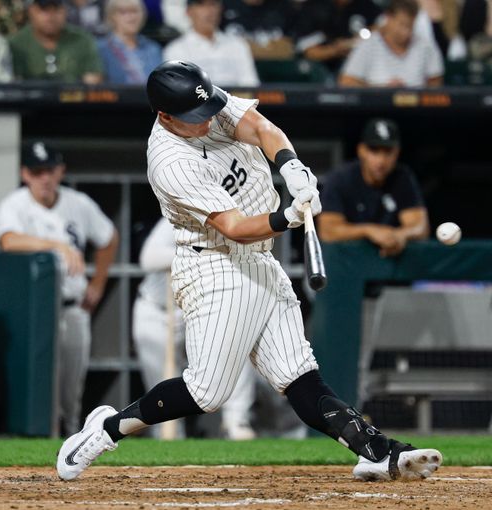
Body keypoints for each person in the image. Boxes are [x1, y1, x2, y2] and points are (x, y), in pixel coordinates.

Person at [56, 60, 442, 483]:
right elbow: (234, 227)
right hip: (215, 264)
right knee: (207, 393)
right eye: (192, 118)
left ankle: (377, 451)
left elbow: (259, 127)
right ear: (165, 116)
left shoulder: (204, 100)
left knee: (298, 374)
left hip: (258, 259)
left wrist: (290, 164)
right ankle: (105, 430)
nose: (206, 121)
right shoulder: (169, 162)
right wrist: (288, 215)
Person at [0, 140, 118, 435]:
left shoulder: (78, 203)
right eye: (37, 172)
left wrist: (99, 283)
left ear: (60, 171)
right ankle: (35, 438)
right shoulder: (15, 205)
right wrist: (56, 245)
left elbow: (109, 238)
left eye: (49, 170)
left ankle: (72, 437)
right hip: (32, 311)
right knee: (36, 384)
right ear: (25, 174)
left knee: (71, 388)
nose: (45, 178)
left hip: (71, 306)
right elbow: (8, 241)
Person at [133, 216, 257, 440]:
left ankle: (236, 422)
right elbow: (148, 258)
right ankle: (168, 435)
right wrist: (203, 255)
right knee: (164, 391)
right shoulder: (180, 217)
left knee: (237, 347)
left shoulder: (240, 223)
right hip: (159, 310)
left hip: (201, 311)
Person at [317, 118, 429, 257]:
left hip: (389, 265)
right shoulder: (340, 179)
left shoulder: (402, 178)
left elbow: (420, 228)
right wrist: (369, 231)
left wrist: (400, 235)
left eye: (388, 152)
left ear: (397, 152)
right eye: (374, 151)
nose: (381, 161)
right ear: (361, 150)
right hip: (347, 265)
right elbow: (328, 231)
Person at [338, 0, 443, 87]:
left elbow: (435, 83)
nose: (405, 32)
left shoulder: (425, 46)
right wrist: (382, 90)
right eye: (402, 24)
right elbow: (347, 81)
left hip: (415, 110)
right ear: (388, 18)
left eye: (410, 26)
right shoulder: (368, 45)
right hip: (377, 108)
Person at [163, 0, 258, 87]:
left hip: (236, 103)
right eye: (202, 5)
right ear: (189, 11)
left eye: (213, 4)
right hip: (198, 104)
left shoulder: (238, 45)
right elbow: (179, 92)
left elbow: (250, 86)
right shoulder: (175, 50)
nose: (210, 11)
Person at [9, 0, 103, 83]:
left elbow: (93, 82)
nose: (51, 17)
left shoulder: (83, 40)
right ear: (31, 11)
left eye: (57, 9)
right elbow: (14, 85)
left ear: (66, 11)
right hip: (29, 101)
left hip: (74, 101)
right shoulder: (16, 43)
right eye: (44, 10)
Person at [295, 0, 382, 75]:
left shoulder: (366, 6)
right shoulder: (314, 7)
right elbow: (309, 52)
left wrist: (358, 42)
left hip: (360, 66)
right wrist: (336, 49)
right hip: (322, 70)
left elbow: (382, 30)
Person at [96, 0, 162, 84]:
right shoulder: (101, 48)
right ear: (112, 16)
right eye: (123, 12)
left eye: (135, 11)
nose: (131, 17)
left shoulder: (153, 48)